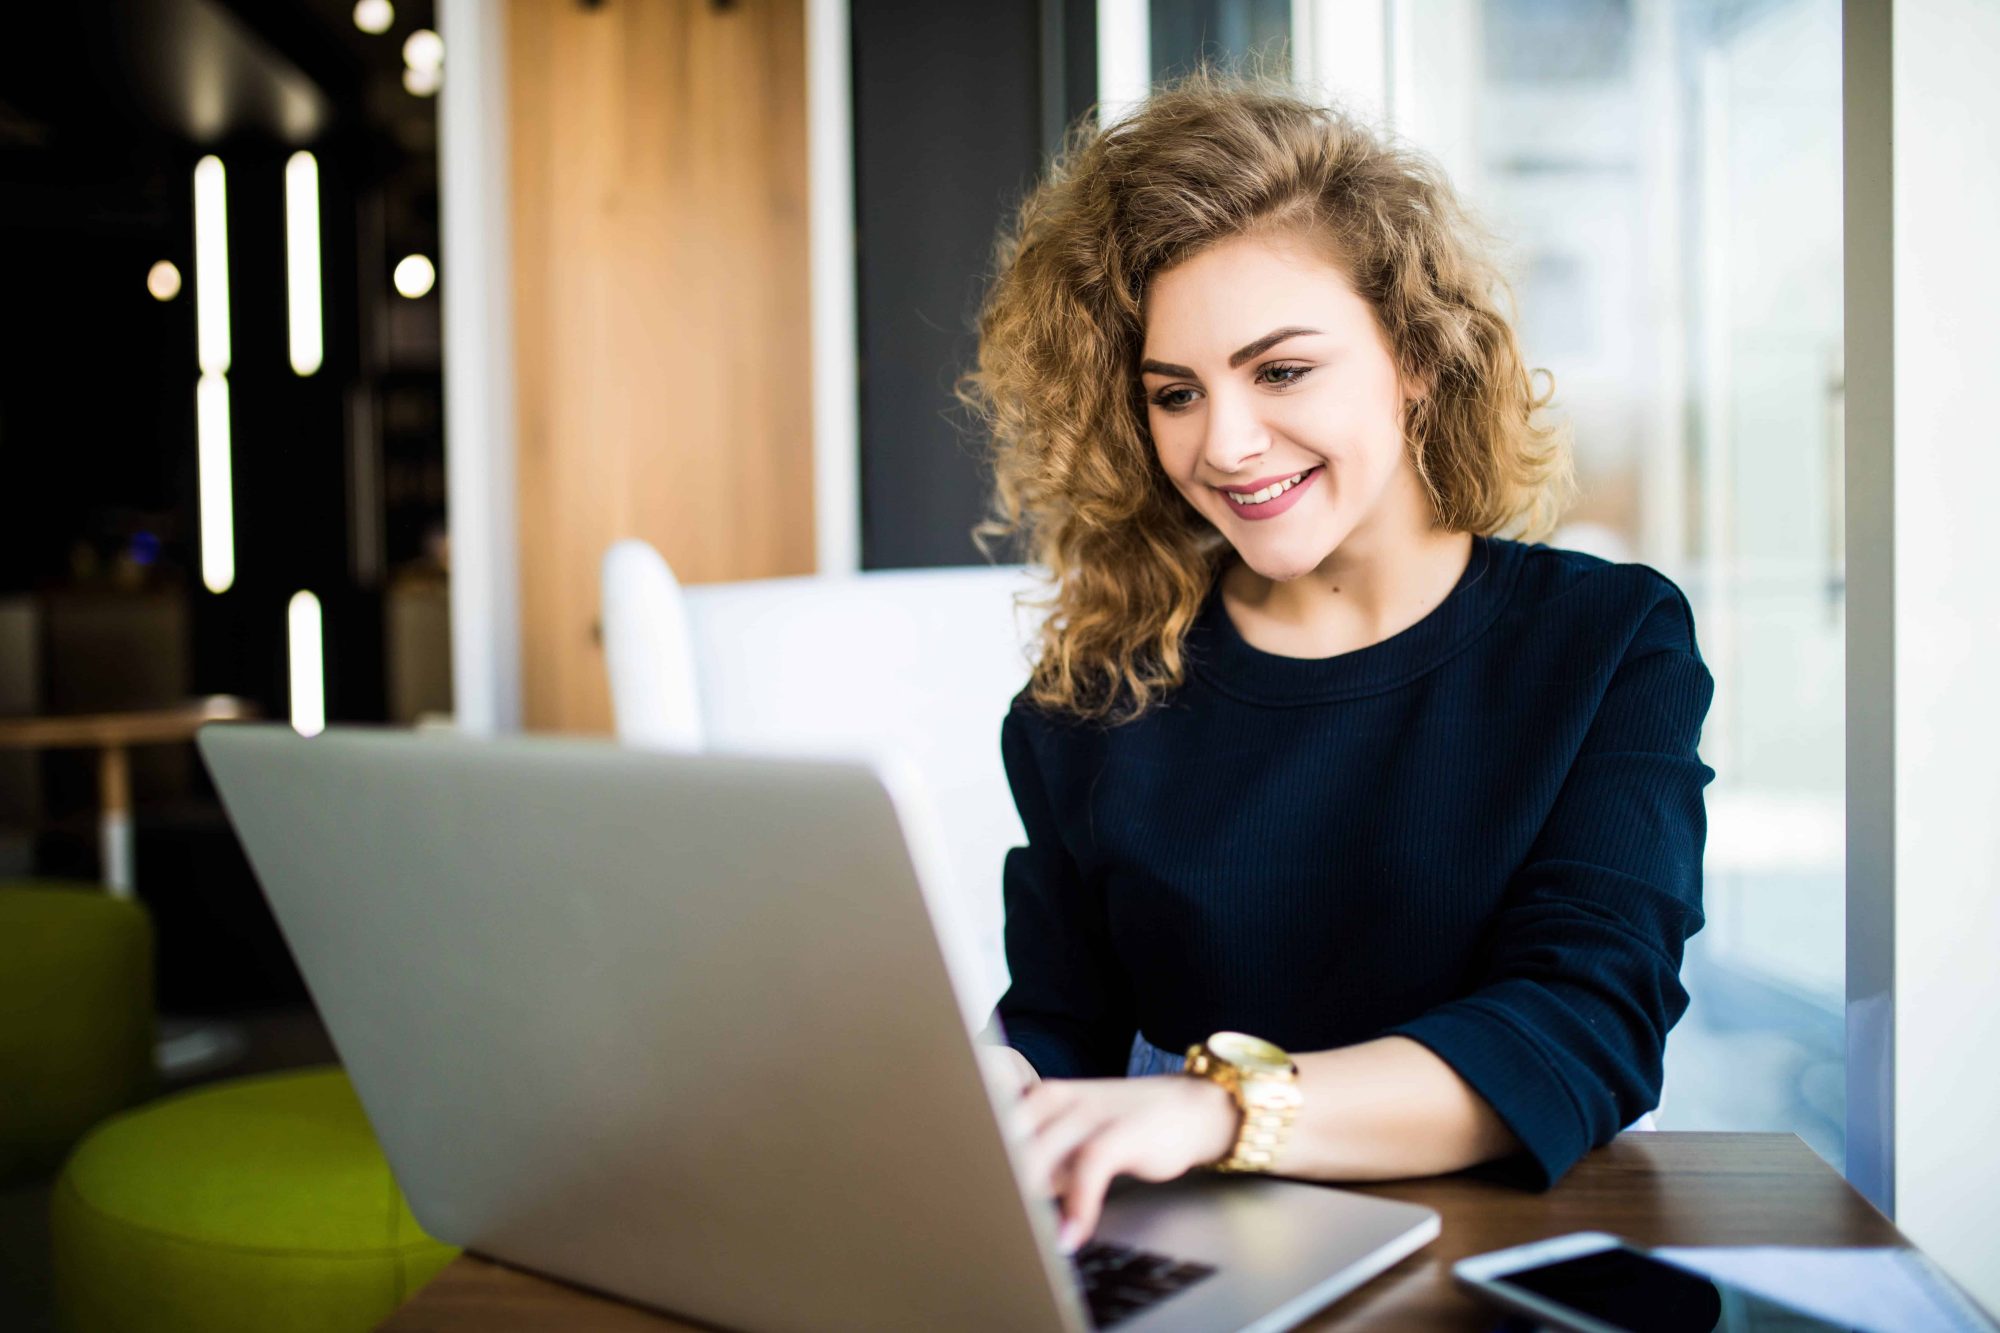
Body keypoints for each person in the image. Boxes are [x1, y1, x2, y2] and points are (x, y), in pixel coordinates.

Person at [956, 71, 1716, 1253]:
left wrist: (1210, 1108)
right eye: (1173, 393)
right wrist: (1003, 1084)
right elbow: (1065, 1022)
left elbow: (1585, 1024)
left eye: (1280, 369)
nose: (1225, 443)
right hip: (1185, 1260)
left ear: (1415, 355)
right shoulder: (1086, 699)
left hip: (1504, 1252)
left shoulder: (1603, 642)